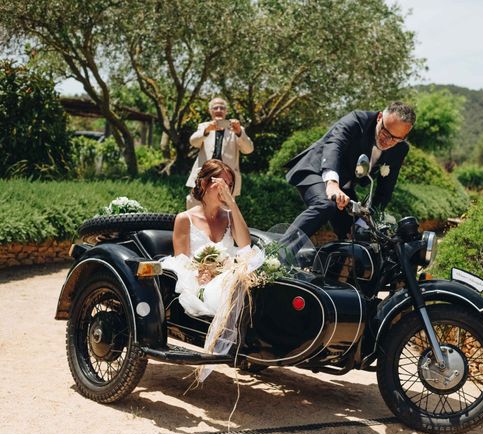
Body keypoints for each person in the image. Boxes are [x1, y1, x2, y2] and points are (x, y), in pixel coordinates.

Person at [162, 160, 263, 381]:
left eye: (230, 184)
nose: (226, 188)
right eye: (221, 183)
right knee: (236, 279)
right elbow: (182, 261)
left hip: (228, 276)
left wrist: (232, 204)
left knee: (248, 269)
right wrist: (201, 274)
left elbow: (245, 245)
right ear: (205, 184)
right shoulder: (184, 219)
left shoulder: (229, 217)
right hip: (201, 283)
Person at [284, 101, 416, 240]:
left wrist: (364, 222)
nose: (388, 141)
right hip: (315, 170)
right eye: (385, 133)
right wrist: (332, 183)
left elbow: (385, 191)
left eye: (397, 139)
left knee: (355, 234)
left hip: (344, 186)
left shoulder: (400, 149)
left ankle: (327, 261)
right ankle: (276, 255)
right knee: (326, 205)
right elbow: (335, 145)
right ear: (379, 118)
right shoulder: (357, 120)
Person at [186, 97, 254, 207]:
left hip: (226, 177)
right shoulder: (204, 126)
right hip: (204, 174)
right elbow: (193, 142)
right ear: (210, 111)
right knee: (196, 206)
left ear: (226, 111)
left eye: (222, 108)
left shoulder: (236, 128)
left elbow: (248, 150)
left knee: (224, 211)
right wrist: (207, 130)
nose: (219, 110)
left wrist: (239, 133)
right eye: (215, 107)